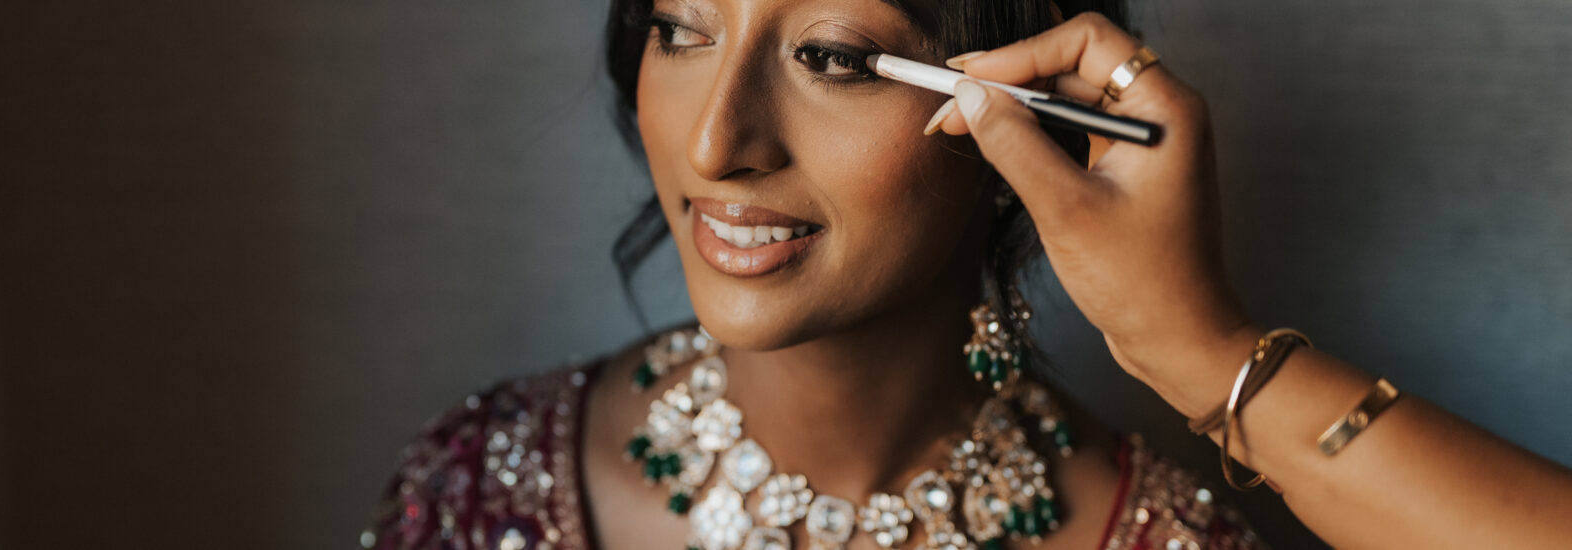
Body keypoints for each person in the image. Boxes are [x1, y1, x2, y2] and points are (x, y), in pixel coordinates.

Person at [363, 0, 1572, 549]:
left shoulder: (1159, 539)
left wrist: (1197, 349)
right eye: (681, 30)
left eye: (836, 57)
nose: (714, 142)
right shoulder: (485, 482)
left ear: (1015, 115)